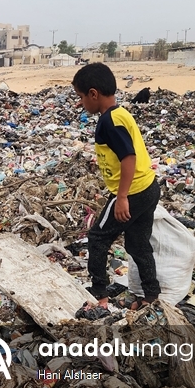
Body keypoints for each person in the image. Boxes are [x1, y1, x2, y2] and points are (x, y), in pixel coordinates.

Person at [73, 62, 161, 308]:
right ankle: (151, 295)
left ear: (93, 94)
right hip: (148, 187)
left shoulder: (109, 122)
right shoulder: (120, 113)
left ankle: (99, 293)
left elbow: (128, 157)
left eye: (81, 97)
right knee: (138, 243)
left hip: (132, 192)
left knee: (97, 237)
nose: (81, 103)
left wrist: (121, 197)